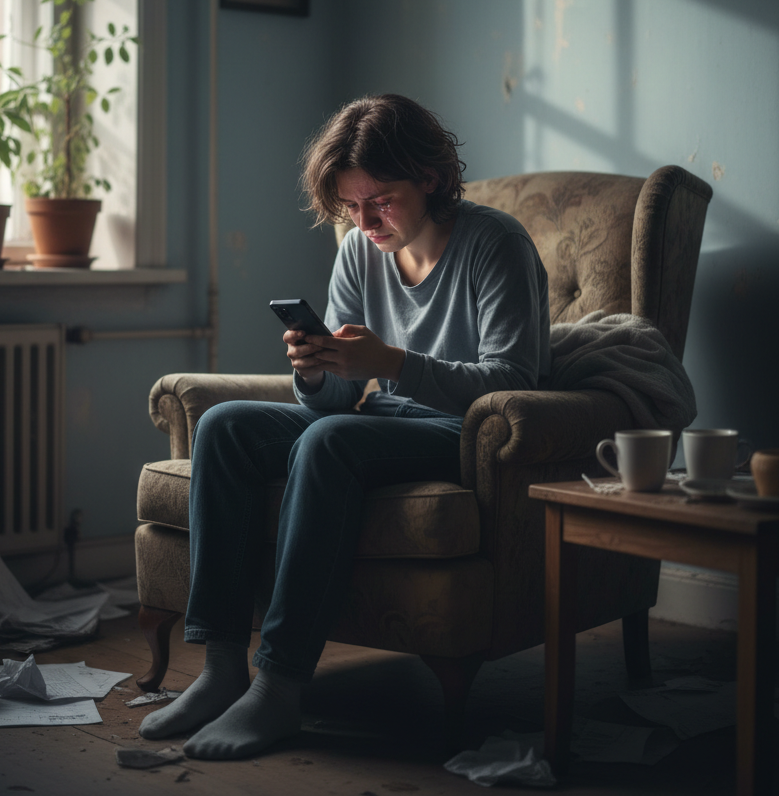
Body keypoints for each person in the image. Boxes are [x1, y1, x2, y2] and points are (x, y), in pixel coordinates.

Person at [139, 93, 551, 759]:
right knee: (224, 426)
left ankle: (280, 686)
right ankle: (220, 671)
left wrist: (390, 362)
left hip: (462, 435)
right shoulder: (361, 250)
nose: (364, 221)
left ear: (432, 179)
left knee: (332, 443)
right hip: (379, 423)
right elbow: (329, 406)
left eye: (380, 200)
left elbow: (513, 384)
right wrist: (315, 369)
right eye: (351, 207)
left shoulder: (495, 245)